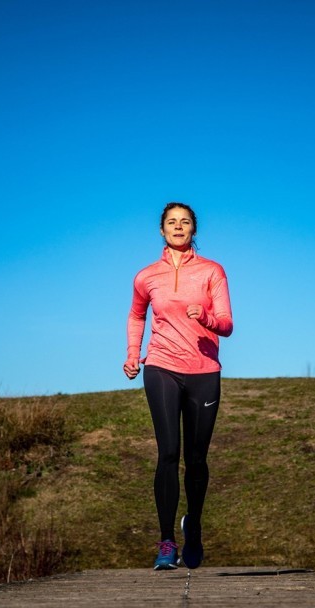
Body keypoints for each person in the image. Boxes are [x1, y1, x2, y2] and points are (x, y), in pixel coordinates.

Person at [123, 202, 233, 570]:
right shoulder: (146, 276)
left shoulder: (212, 272)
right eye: (172, 222)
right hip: (161, 366)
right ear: (162, 230)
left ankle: (195, 529)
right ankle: (167, 541)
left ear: (194, 229)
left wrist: (207, 318)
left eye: (185, 222)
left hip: (204, 371)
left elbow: (228, 324)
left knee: (196, 460)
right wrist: (131, 354)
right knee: (168, 453)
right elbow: (137, 314)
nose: (178, 227)